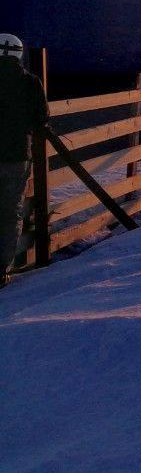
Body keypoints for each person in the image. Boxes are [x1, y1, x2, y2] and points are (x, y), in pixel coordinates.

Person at [0, 34, 47, 286]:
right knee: (10, 212)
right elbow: (42, 118)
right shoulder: (30, 82)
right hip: (17, 156)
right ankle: (2, 268)